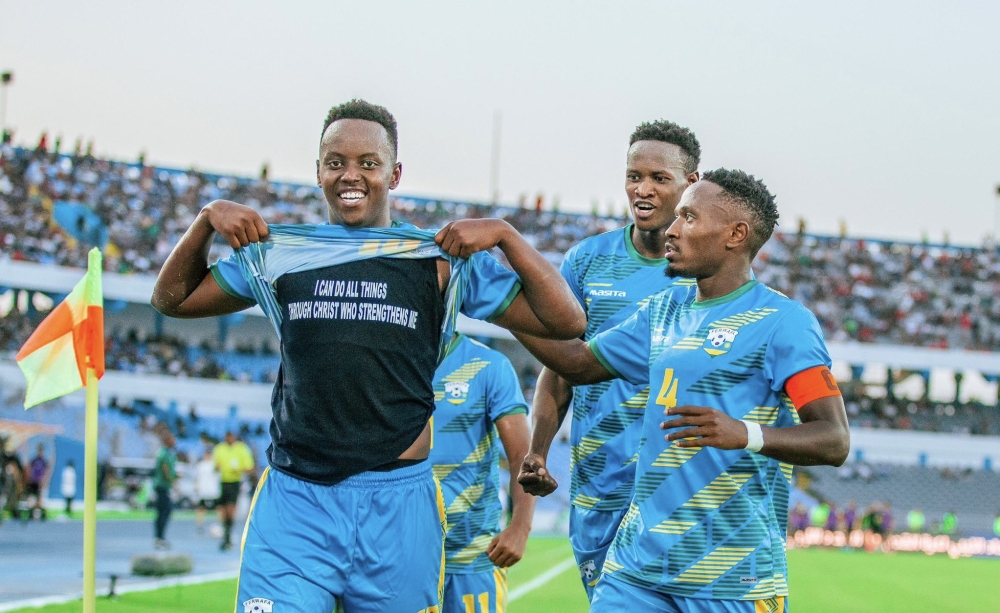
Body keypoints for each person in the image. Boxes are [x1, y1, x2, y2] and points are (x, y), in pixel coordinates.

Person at [151, 99, 584, 613]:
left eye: (368, 163)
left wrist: (507, 237)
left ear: (394, 173)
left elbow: (567, 321)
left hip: (398, 508)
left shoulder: (437, 261)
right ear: (317, 171)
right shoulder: (279, 253)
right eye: (335, 163)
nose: (349, 175)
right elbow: (171, 300)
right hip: (297, 502)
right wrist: (205, 222)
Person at [516, 170, 850, 611]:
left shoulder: (783, 322)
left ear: (735, 234)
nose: (671, 230)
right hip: (634, 569)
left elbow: (833, 438)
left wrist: (746, 434)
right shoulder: (664, 310)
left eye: (688, 218)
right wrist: (496, 298)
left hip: (731, 576)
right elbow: (574, 363)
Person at [518, 120, 700, 599]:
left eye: (660, 178)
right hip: (599, 485)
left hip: (676, 488)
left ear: (691, 184)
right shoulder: (586, 261)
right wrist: (537, 449)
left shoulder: (707, 275)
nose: (643, 189)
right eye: (634, 175)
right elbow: (559, 370)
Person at [429, 333, 535, 613]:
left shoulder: (488, 364)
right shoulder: (391, 360)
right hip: (405, 553)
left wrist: (521, 526)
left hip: (472, 554)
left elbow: (521, 455)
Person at [212, 431, 254, 551]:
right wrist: (218, 467)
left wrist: (239, 470)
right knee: (222, 511)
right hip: (222, 482)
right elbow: (215, 466)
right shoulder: (220, 448)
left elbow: (249, 467)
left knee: (230, 509)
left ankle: (227, 535)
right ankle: (226, 534)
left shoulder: (241, 448)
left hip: (234, 483)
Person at [152, 431, 178, 549]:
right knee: (164, 511)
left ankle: (159, 537)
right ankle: (159, 537)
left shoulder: (169, 453)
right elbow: (165, 469)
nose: (174, 442)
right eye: (172, 440)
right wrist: (173, 482)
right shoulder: (163, 453)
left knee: (164, 511)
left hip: (164, 486)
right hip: (162, 486)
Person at [194, 448, 221, 534]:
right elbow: (197, 478)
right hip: (203, 491)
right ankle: (199, 525)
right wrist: (197, 487)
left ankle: (221, 525)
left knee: (219, 509)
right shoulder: (200, 465)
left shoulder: (214, 465)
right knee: (201, 509)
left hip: (213, 491)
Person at [26, 443, 50, 520]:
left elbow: (46, 472)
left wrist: (44, 480)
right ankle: (31, 513)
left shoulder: (44, 461)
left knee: (39, 499)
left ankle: (42, 514)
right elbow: (30, 469)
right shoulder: (34, 460)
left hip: (40, 482)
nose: (40, 452)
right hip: (34, 482)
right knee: (31, 499)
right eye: (39, 450)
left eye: (41, 451)